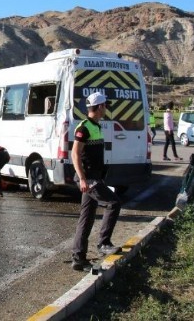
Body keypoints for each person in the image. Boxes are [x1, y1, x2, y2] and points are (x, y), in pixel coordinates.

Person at [71, 92, 122, 271]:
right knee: (113, 202)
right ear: (100, 107)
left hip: (95, 177)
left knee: (86, 218)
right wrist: (83, 179)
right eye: (105, 105)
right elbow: (75, 154)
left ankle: (78, 259)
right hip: (89, 179)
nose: (106, 108)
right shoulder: (84, 127)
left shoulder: (96, 126)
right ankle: (103, 244)